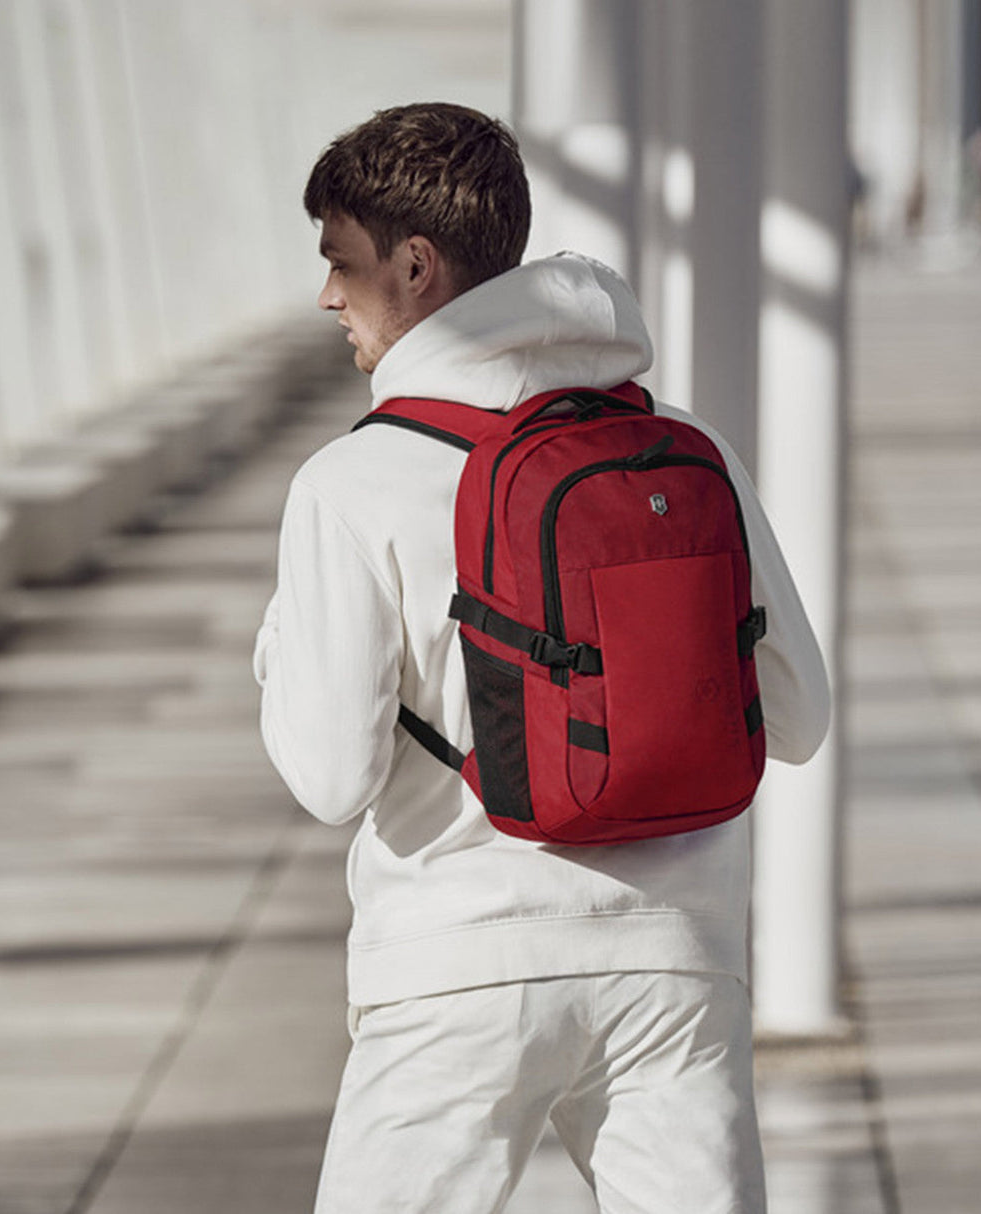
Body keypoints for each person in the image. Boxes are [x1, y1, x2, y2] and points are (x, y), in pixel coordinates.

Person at [254, 102, 830, 1214]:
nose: (327, 295)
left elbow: (329, 778)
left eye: (340, 261)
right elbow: (798, 719)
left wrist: (279, 647)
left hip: (455, 965)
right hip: (676, 959)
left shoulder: (349, 482)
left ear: (414, 265)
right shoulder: (686, 450)